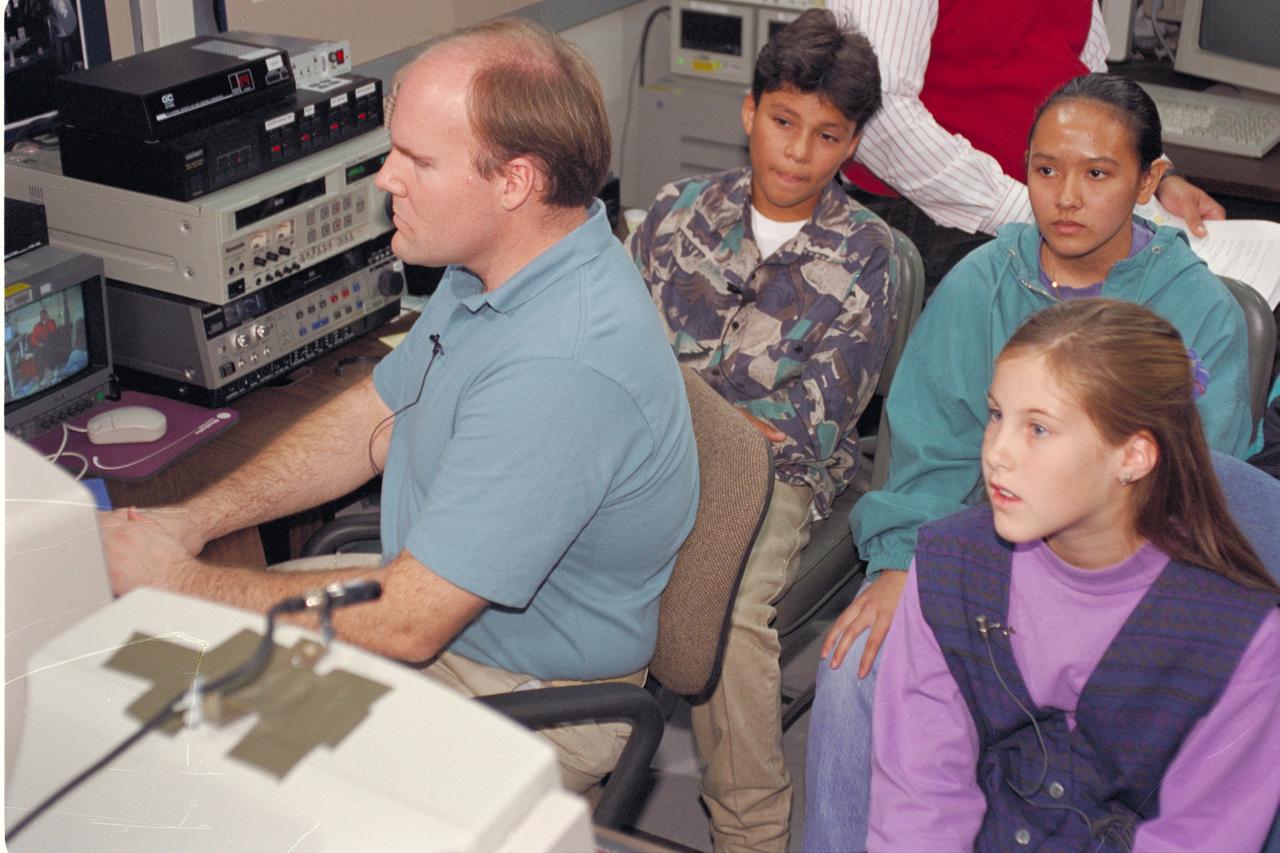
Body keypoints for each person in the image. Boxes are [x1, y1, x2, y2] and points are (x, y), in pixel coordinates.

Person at [98, 18, 699, 794]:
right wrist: (195, 522)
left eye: (416, 159)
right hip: (434, 602)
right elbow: (373, 419)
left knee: (200, 767)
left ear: (513, 181)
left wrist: (181, 578)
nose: (386, 177)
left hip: (520, 693)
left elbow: (409, 622)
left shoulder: (563, 368)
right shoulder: (498, 265)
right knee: (151, 678)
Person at [804, 73, 1254, 851]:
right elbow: (928, 448)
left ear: (1150, 181)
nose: (1066, 197)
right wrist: (899, 565)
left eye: (1097, 173)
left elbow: (1206, 484)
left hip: (1122, 585)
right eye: (1044, 170)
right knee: (852, 668)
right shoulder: (981, 283)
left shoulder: (1197, 312)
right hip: (981, 564)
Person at [868, 299, 1280, 851]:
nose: (997, 454)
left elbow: (1198, 838)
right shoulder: (950, 566)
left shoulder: (1241, 638)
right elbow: (920, 800)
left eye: (1038, 428)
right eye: (997, 415)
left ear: (1132, 456)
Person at [628, 11, 894, 851]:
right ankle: (557, 772)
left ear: (851, 145)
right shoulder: (675, 211)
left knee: (729, 609)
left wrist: (681, 414)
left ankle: (751, 828)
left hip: (775, 474)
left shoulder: (869, 254)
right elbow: (618, 352)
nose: (798, 151)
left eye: (827, 135)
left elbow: (815, 420)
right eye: (783, 122)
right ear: (750, 112)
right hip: (646, 452)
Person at [827, 0, 1225, 292]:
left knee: (1214, 298)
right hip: (934, 215)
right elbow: (877, 114)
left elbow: (1089, 85)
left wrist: (1154, 176)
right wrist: (1028, 211)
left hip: (1049, 207)